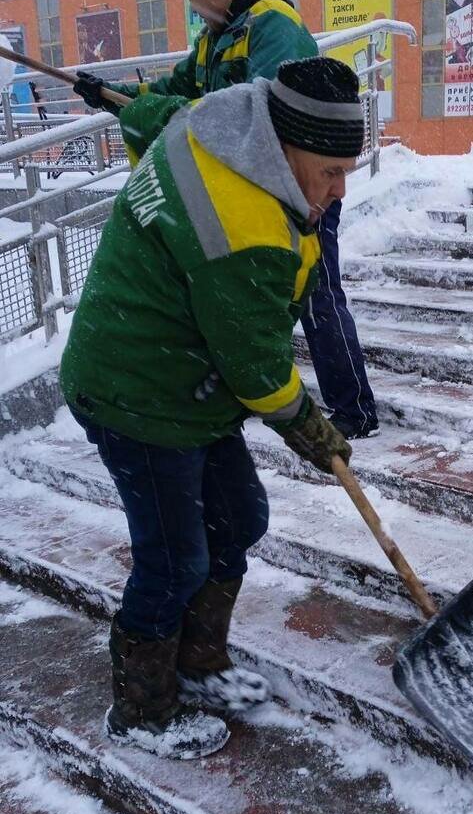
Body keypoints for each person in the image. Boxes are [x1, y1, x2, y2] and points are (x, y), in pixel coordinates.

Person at [60, 56, 364, 760]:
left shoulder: (216, 123)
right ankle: (142, 710)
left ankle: (198, 661)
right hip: (136, 393)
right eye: (329, 172)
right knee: (173, 561)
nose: (338, 190)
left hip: (186, 384)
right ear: (283, 152)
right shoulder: (245, 227)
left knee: (240, 517)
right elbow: (257, 371)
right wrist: (317, 435)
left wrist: (112, 96)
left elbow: (147, 114)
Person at [73, 0, 378, 440]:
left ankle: (355, 409)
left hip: (301, 190)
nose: (193, 6)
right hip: (249, 199)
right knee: (280, 297)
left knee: (317, 294)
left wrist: (170, 116)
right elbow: (177, 88)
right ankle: (284, 393)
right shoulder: (218, 36)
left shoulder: (271, 25)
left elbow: (260, 114)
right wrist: (112, 93)